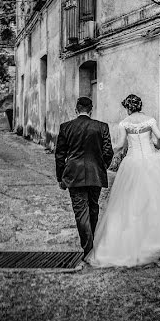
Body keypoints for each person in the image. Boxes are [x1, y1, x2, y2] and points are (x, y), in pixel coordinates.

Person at [88, 94, 160, 267]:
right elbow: (159, 138)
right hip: (152, 161)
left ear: (128, 107)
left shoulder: (124, 123)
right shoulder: (149, 120)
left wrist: (104, 153)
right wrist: (154, 145)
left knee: (130, 200)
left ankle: (135, 241)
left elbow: (120, 145)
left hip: (132, 162)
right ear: (139, 106)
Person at [55, 96, 114, 261]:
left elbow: (60, 155)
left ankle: (88, 249)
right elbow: (108, 152)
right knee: (93, 208)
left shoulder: (66, 127)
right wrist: (101, 167)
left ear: (76, 109)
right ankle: (91, 243)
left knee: (81, 211)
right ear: (91, 109)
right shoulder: (101, 127)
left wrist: (61, 177)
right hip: (95, 174)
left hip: (74, 176)